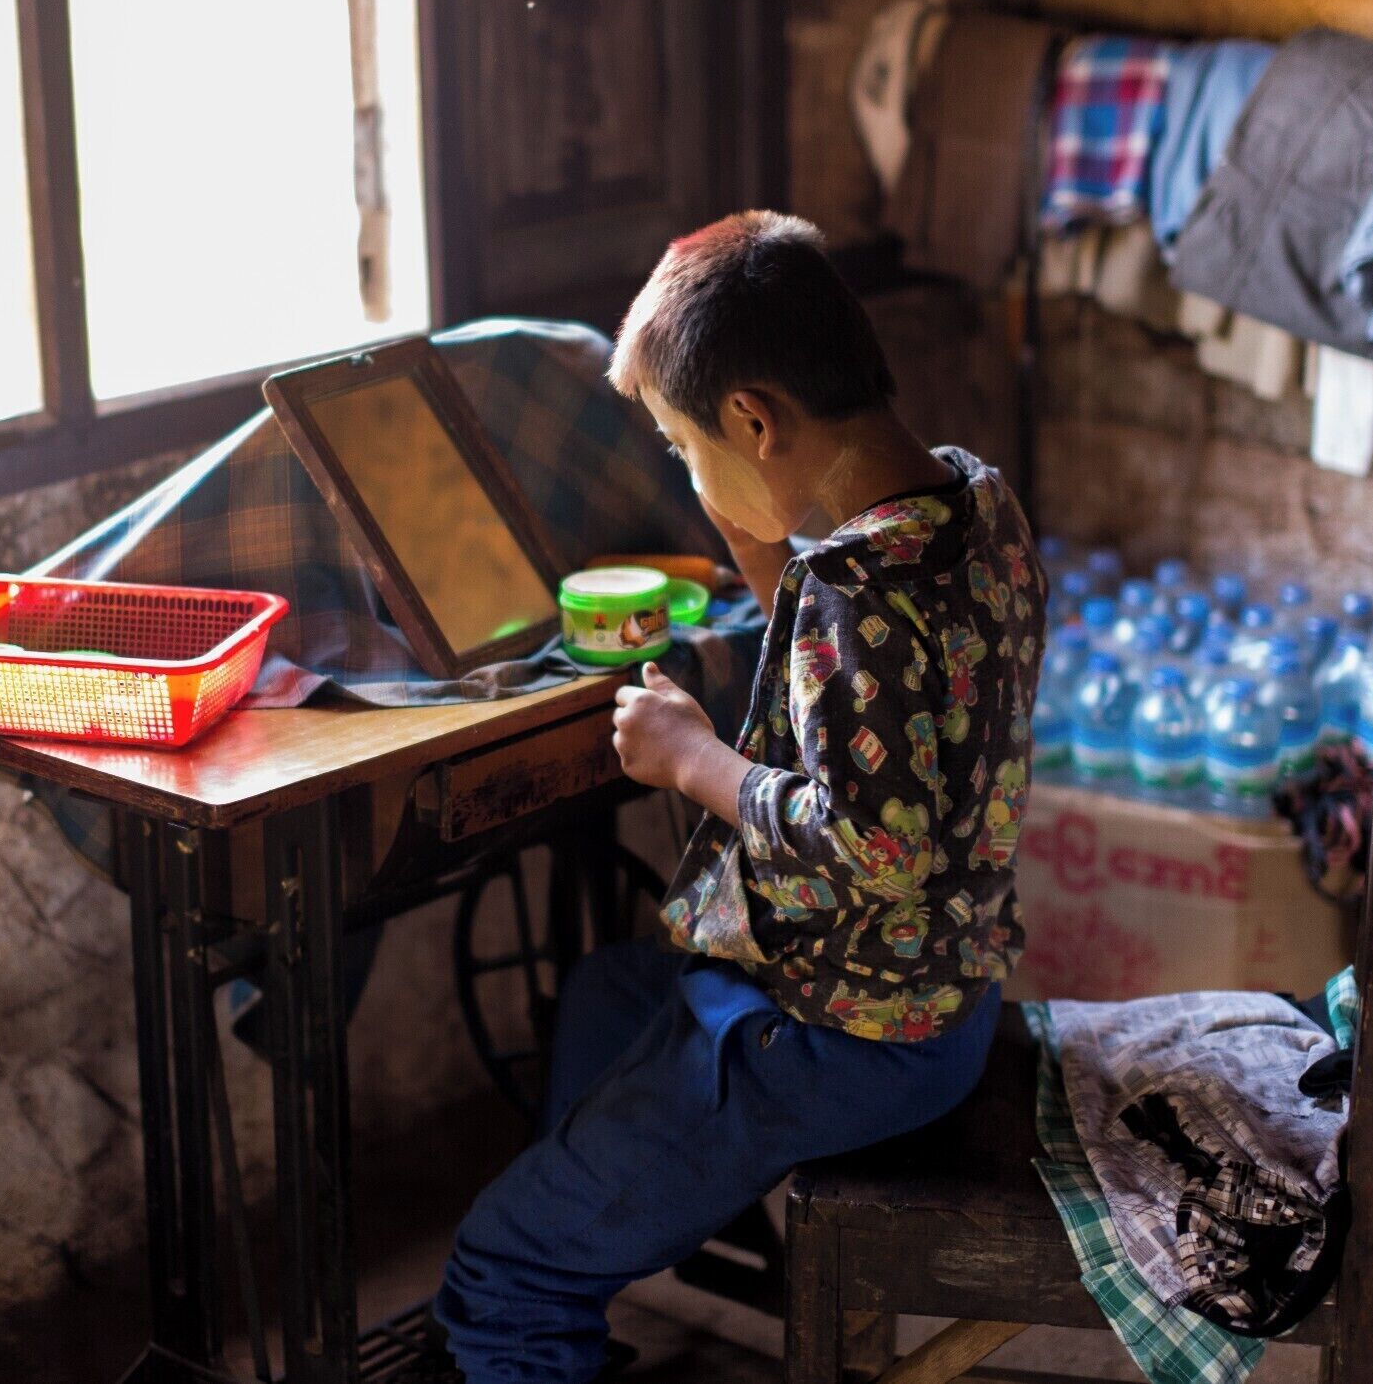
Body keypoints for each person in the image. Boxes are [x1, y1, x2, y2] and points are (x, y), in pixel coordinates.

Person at [432, 211, 1046, 1382]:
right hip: (940, 1001)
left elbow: (870, 839)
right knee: (609, 996)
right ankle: (615, 1211)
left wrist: (689, 757)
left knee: (497, 1266)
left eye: (681, 443)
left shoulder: (857, 598)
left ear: (754, 418)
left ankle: (548, 1276)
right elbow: (875, 703)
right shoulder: (975, 507)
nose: (682, 467)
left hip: (843, 1032)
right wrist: (746, 519)